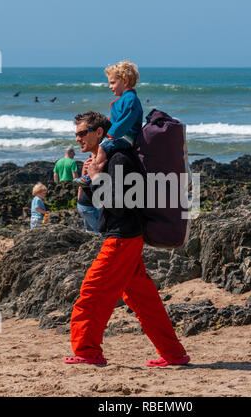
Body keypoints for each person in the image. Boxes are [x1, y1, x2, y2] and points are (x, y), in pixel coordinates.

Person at [64, 111, 190, 367]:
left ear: (99, 132)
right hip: (124, 237)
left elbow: (120, 205)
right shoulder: (107, 158)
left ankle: (87, 352)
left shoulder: (120, 158)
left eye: (81, 133)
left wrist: (98, 177)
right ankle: (174, 354)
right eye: (75, 134)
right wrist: (90, 179)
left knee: (92, 292)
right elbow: (98, 202)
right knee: (144, 300)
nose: (77, 139)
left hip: (122, 239)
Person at [73, 60, 143, 187]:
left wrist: (110, 135)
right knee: (100, 147)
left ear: (125, 81)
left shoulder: (130, 99)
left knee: (102, 147)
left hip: (127, 136)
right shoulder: (123, 99)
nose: (110, 86)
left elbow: (126, 121)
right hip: (121, 135)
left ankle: (91, 176)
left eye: (112, 83)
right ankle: (93, 170)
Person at [77, 154, 100, 232]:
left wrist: (78, 205)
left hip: (82, 204)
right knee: (98, 230)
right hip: (89, 206)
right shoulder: (96, 172)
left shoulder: (87, 171)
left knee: (89, 230)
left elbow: (80, 187)